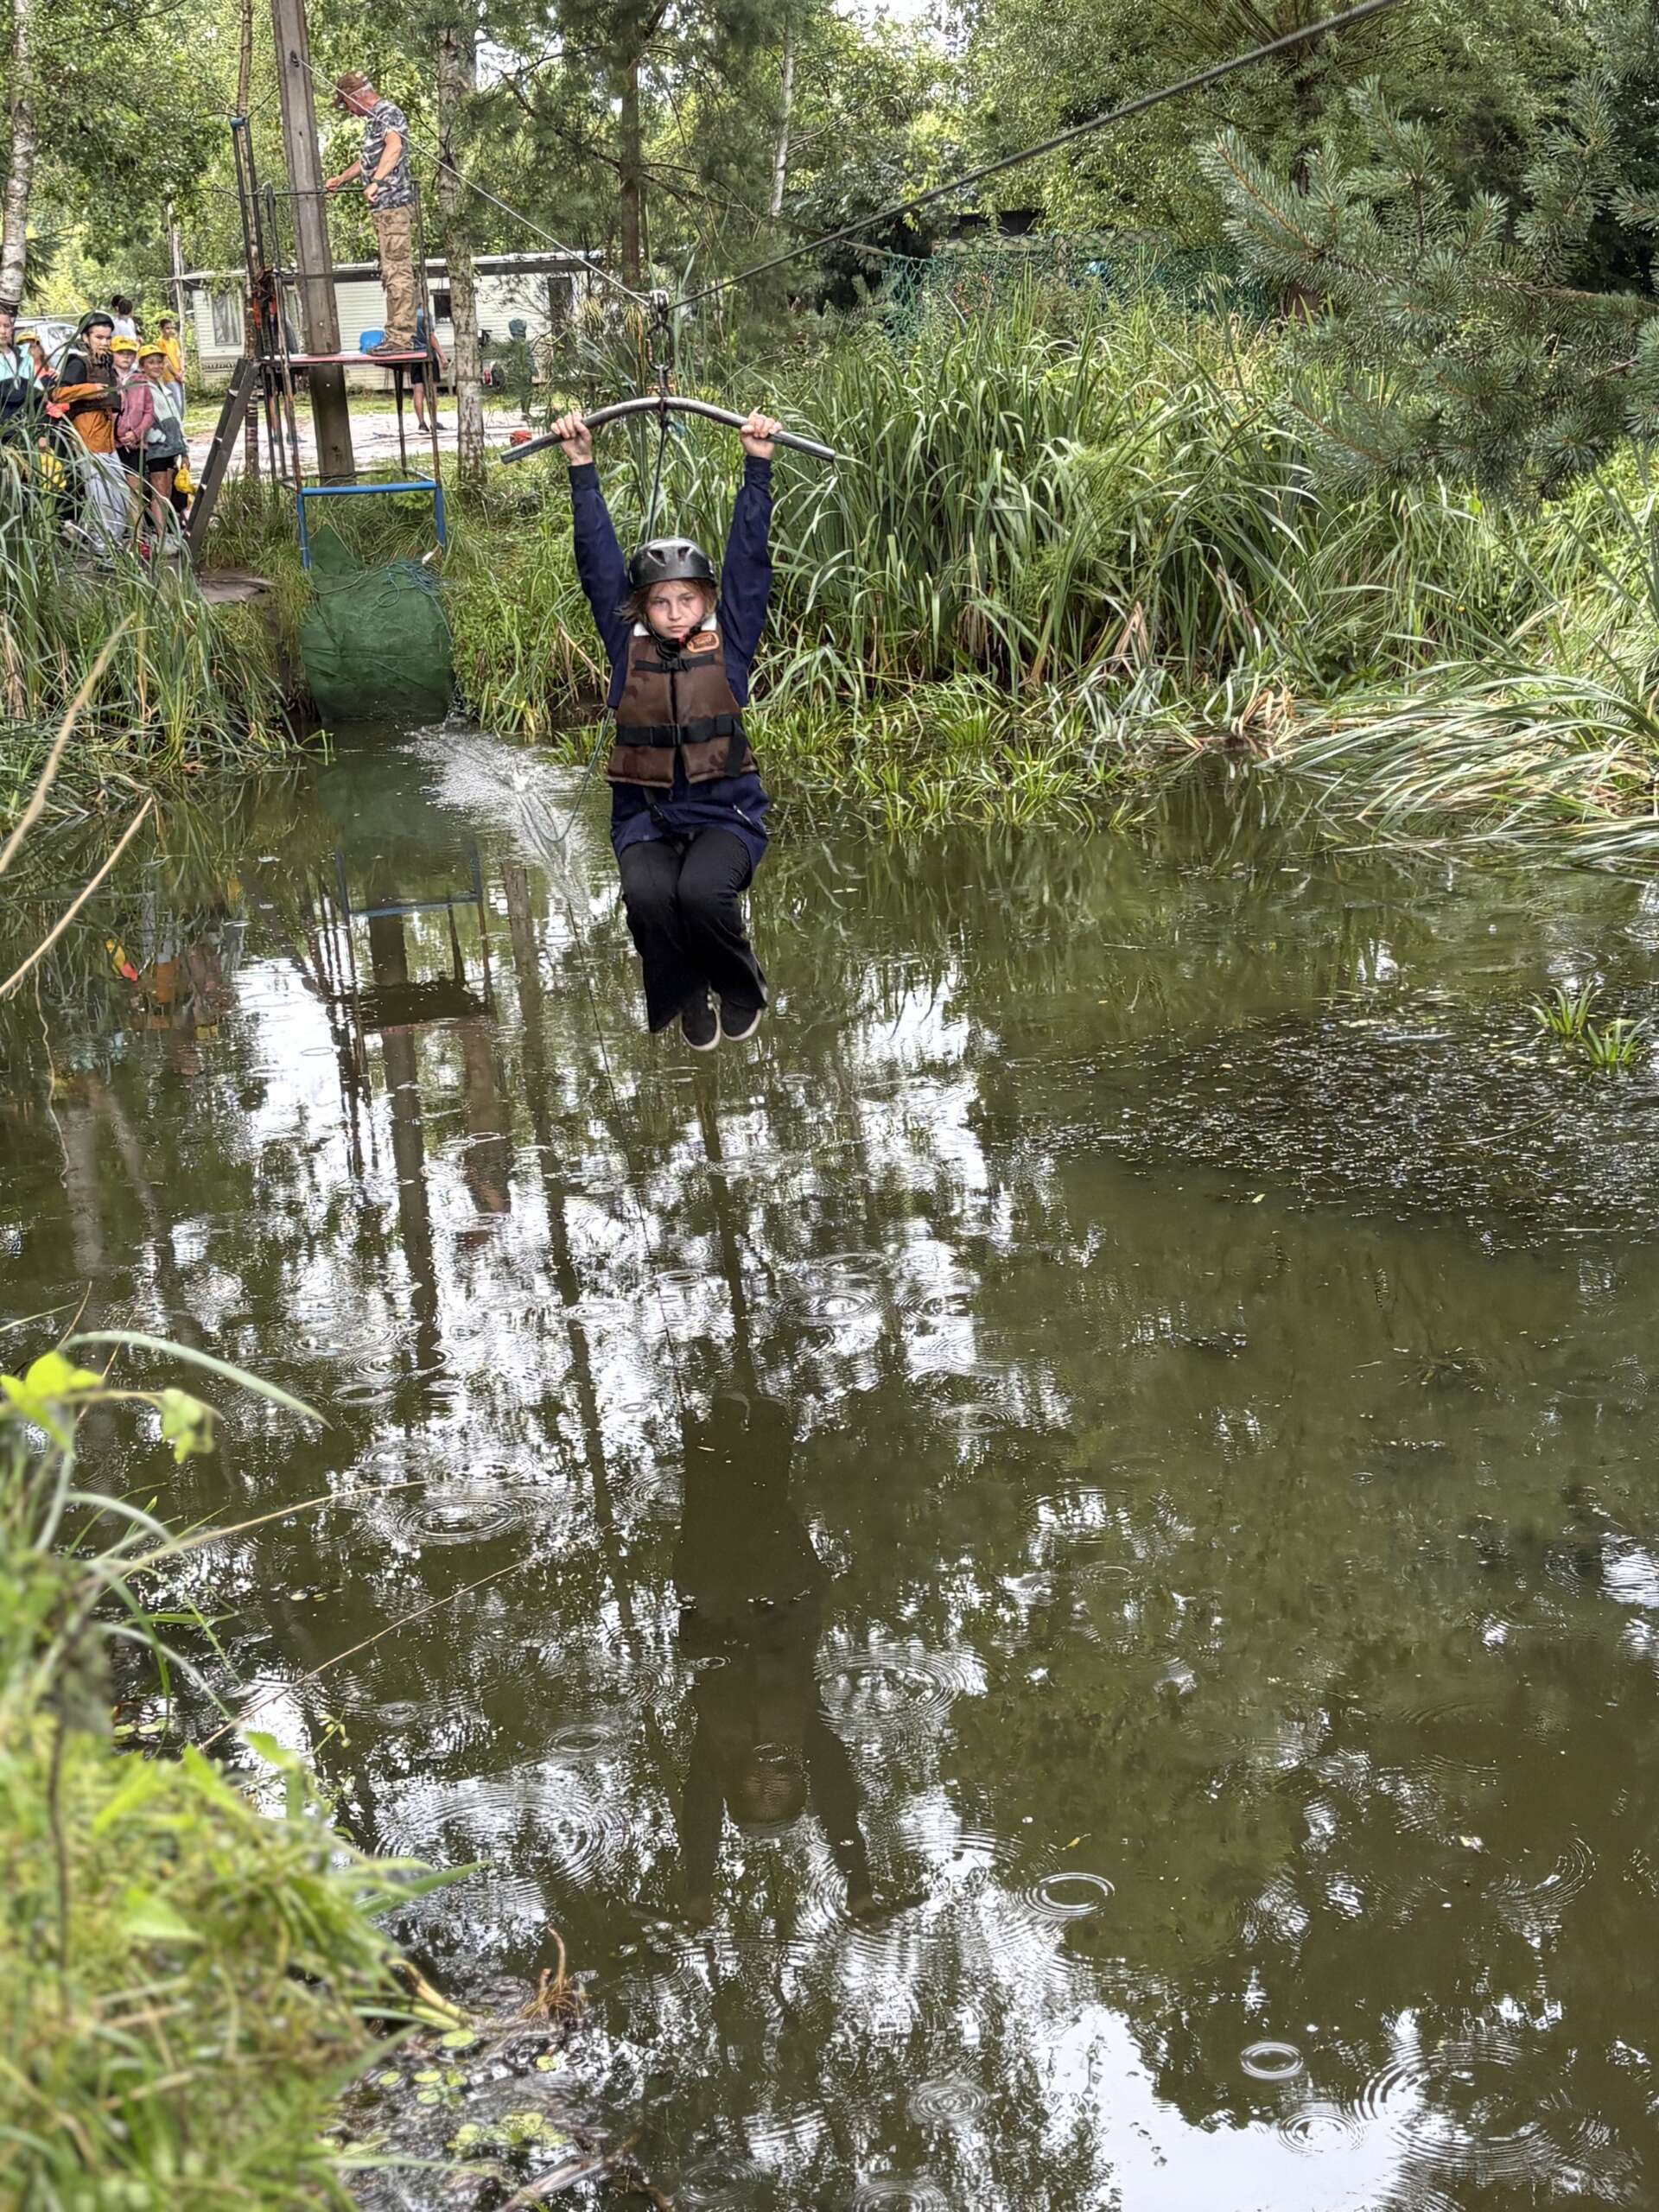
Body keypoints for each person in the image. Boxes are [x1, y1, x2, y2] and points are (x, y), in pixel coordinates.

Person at [550, 404, 782, 1049]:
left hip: (724, 813)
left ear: (705, 601)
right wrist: (581, 468)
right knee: (650, 900)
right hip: (644, 818)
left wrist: (757, 466)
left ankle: (738, 986)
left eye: (687, 599)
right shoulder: (624, 644)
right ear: (641, 608)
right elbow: (597, 563)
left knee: (703, 895)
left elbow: (749, 563)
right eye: (660, 601)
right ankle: (686, 994)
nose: (675, 612)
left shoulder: (730, 642)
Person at [674, 1388, 878, 1926]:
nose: (767, 1781)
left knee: (709, 1503)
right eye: (777, 1792)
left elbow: (700, 1811)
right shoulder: (809, 1737)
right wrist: (859, 1884)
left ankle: (721, 1423)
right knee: (764, 1505)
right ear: (797, 1785)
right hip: (782, 1599)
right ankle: (767, 1422)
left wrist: (698, 1892)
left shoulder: (713, 1754)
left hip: (713, 1603)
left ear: (736, 1788)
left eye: (756, 1793)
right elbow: (837, 1801)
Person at [326, 73, 416, 358]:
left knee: (397, 270)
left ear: (357, 97)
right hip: (383, 210)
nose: (349, 112)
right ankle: (394, 334)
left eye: (346, 105)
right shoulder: (374, 120)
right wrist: (342, 178)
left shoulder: (387, 112)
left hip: (393, 204)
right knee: (390, 270)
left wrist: (376, 181)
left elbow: (395, 146)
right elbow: (368, 159)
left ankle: (401, 337)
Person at [53, 313, 130, 554]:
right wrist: (89, 389)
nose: (104, 343)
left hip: (107, 437)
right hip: (88, 435)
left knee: (118, 494)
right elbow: (57, 393)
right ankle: (103, 549)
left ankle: (113, 546)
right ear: (86, 338)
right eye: (99, 338)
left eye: (107, 338)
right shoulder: (79, 363)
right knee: (101, 495)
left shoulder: (105, 364)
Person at [131, 342, 186, 548]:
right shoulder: (142, 388)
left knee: (167, 491)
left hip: (172, 446)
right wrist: (155, 436)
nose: (157, 366)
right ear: (143, 366)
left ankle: (166, 531)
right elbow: (140, 416)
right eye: (151, 362)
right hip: (157, 448)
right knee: (159, 492)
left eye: (159, 362)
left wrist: (184, 448)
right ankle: (160, 535)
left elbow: (176, 419)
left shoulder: (165, 388)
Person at [411, 306, 445, 431]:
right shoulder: (425, 314)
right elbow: (431, 336)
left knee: (418, 390)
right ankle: (433, 421)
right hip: (428, 355)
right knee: (431, 390)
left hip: (414, 356)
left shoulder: (408, 316)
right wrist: (442, 355)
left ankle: (421, 423)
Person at [157, 315, 185, 405]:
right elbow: (166, 360)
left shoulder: (174, 341)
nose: (170, 330)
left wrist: (181, 370)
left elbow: (179, 356)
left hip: (179, 374)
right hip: (170, 376)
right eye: (167, 328)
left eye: (171, 328)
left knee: (182, 402)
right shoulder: (160, 342)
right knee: (177, 402)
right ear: (161, 329)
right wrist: (176, 374)